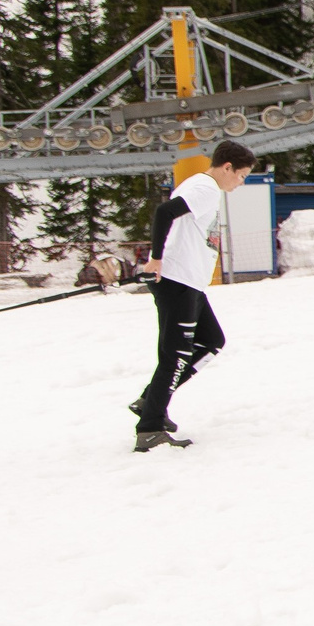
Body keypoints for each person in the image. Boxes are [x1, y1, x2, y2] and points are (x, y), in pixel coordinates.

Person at [132, 139, 254, 451]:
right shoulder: (205, 187)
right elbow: (164, 212)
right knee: (174, 355)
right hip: (177, 279)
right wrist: (156, 258)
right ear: (227, 168)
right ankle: (149, 428)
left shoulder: (204, 187)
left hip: (190, 282)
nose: (240, 183)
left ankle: (151, 401)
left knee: (212, 341)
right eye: (241, 176)